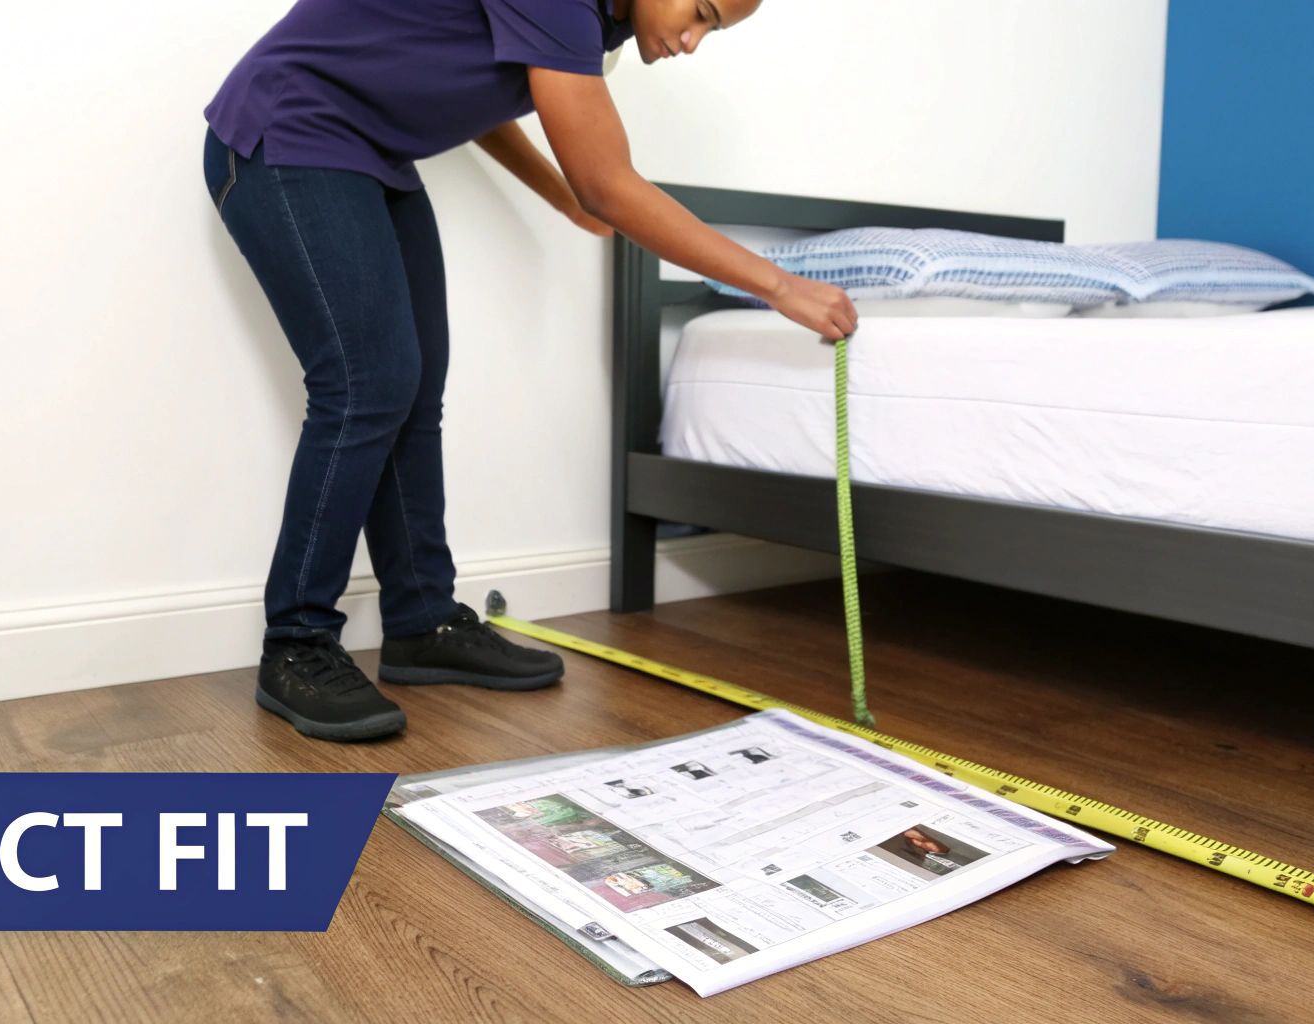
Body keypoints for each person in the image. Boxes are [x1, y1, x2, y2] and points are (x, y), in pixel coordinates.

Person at [203, 0, 858, 742]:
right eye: (700, 11)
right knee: (367, 387)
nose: (692, 40)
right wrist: (779, 285)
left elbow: (478, 93)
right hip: (290, 132)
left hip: (370, 153)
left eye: (713, 30)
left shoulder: (596, 20)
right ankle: (296, 642)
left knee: (411, 394)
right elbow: (608, 182)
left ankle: (421, 623)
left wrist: (561, 195)